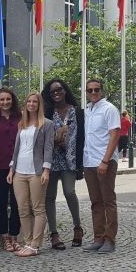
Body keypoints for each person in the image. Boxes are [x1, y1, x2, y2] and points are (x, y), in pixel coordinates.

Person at [6, 91, 54, 257]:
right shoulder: (22, 124)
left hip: (37, 171)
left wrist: (46, 170)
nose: (31, 104)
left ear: (39, 105)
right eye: (29, 101)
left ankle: (35, 245)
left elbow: (48, 148)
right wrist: (11, 168)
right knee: (22, 209)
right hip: (19, 171)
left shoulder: (46, 124)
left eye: (35, 102)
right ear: (25, 104)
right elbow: (17, 148)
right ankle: (27, 242)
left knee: (38, 209)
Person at [41, 79, 84, 250]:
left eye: (59, 89)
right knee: (49, 197)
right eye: (52, 91)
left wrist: (81, 163)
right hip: (51, 160)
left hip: (70, 160)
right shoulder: (47, 112)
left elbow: (82, 138)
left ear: (65, 90)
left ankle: (77, 227)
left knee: (69, 192)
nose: (56, 93)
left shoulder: (78, 112)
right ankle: (54, 233)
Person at [81, 79, 121, 254]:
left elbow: (114, 135)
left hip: (104, 162)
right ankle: (98, 238)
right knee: (95, 202)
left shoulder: (109, 109)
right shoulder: (88, 110)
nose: (93, 92)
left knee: (108, 201)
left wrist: (105, 160)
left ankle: (110, 239)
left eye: (96, 89)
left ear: (102, 91)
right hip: (89, 161)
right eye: (90, 90)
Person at [0, 88, 22, 252]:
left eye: (8, 99)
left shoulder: (21, 118)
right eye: (2, 99)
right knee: (1, 203)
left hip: (19, 166)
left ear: (12, 100)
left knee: (17, 203)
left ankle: (15, 235)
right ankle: (4, 236)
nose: (5, 102)